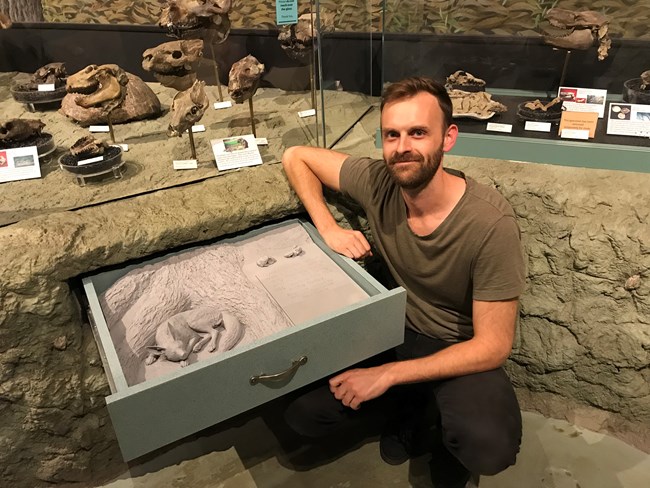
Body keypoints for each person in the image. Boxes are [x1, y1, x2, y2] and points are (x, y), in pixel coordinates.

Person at [280, 76, 525, 488]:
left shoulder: (490, 223)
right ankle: (414, 407)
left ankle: (432, 420)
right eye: (391, 135)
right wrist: (327, 227)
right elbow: (295, 156)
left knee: (488, 446)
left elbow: (494, 346)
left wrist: (389, 375)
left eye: (417, 133)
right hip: (395, 329)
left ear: (448, 139)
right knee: (303, 414)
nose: (402, 147)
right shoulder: (380, 182)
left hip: (459, 346)